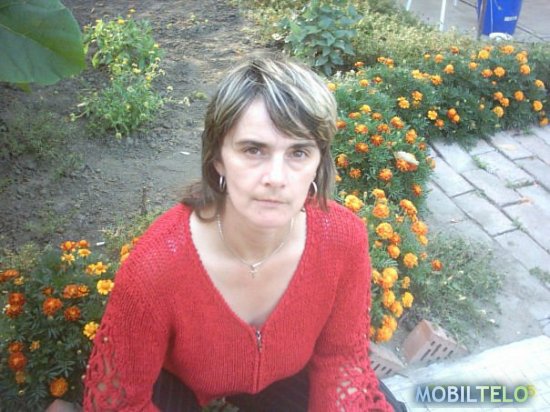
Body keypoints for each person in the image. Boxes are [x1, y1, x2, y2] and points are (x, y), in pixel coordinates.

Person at [81, 54, 403, 411]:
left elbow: (341, 358)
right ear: (218, 158)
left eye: (298, 152)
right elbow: (118, 400)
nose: (276, 178)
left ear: (318, 162)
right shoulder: (157, 266)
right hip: (177, 379)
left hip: (283, 375)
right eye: (253, 150)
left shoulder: (343, 240)